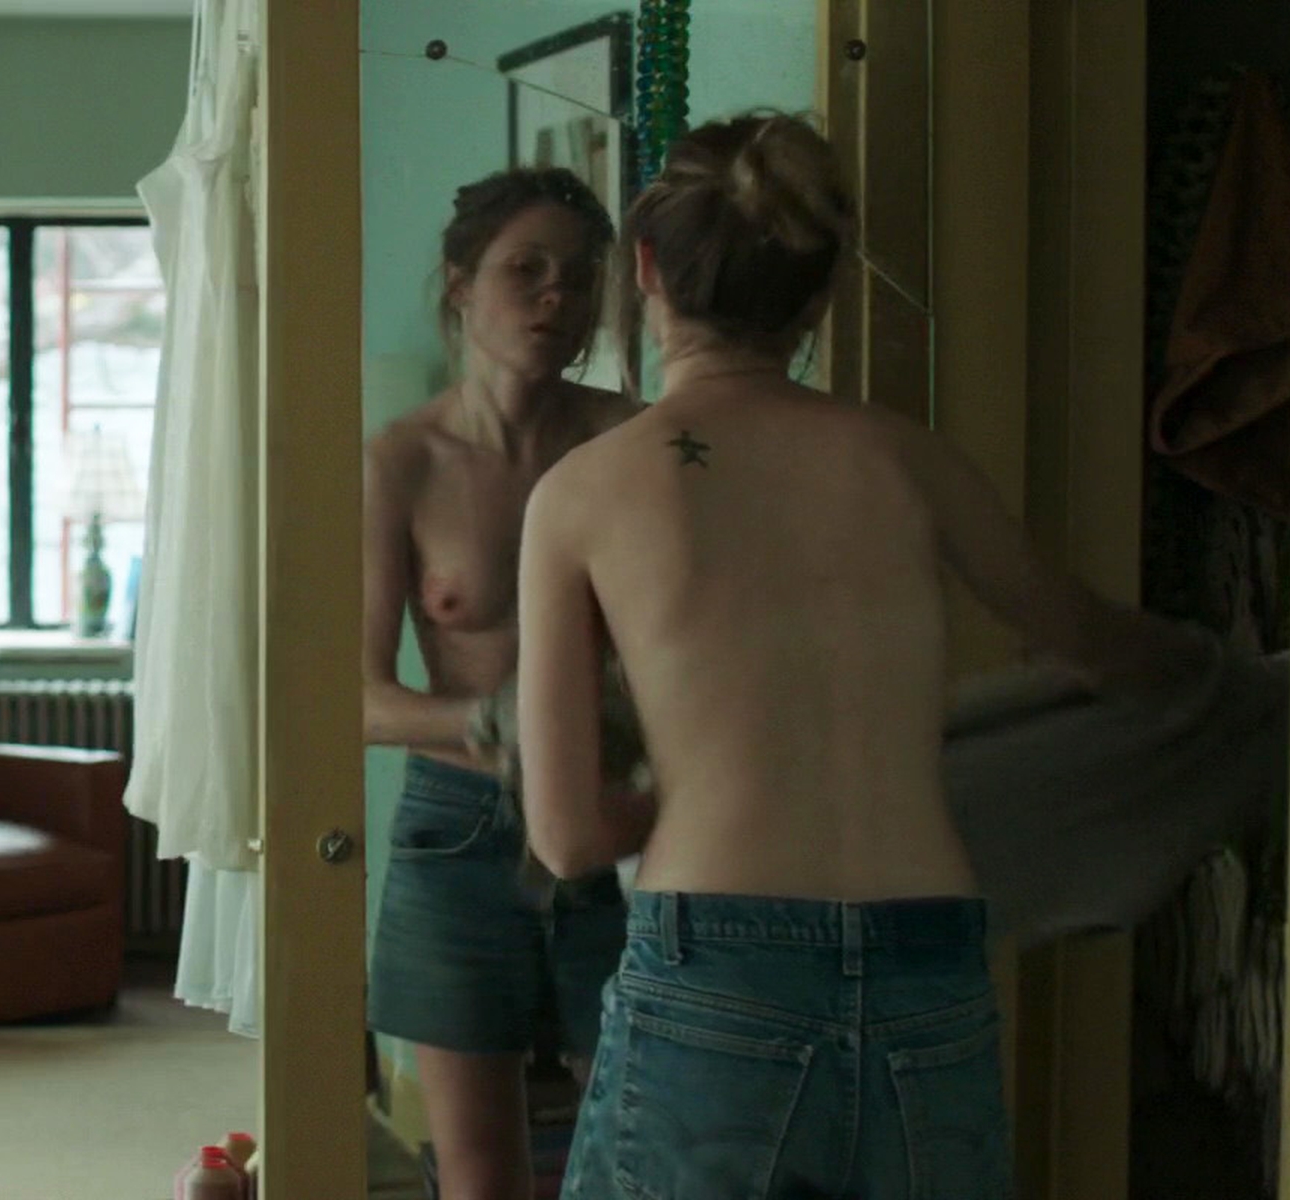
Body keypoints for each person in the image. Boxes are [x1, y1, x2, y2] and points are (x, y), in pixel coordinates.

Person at [512, 112, 1203, 1199]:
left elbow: (566, 837)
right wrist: (1241, 675)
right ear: (823, 290)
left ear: (643, 268)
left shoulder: (585, 493)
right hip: (926, 962)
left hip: (717, 962)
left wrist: (695, 782)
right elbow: (1100, 645)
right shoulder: (908, 460)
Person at [362, 165, 639, 1200]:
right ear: (460, 285)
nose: (555, 296)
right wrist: (493, 719)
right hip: (461, 828)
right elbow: (353, 698)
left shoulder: (633, 441)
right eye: (526, 269)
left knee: (636, 1140)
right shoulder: (402, 462)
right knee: (479, 1171)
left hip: (620, 816)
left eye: (578, 277)